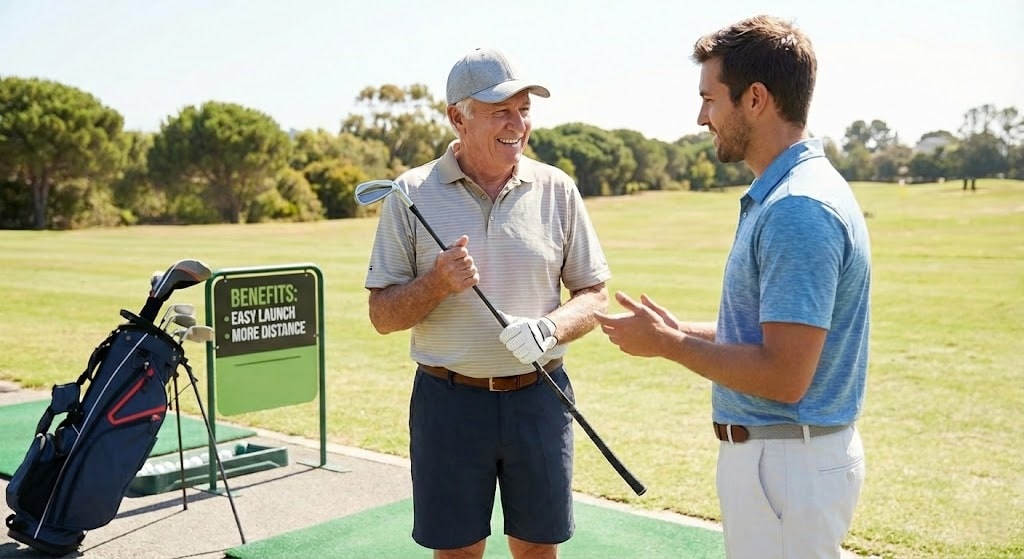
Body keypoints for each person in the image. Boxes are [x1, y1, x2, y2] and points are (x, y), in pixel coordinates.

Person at [594, 15, 871, 559]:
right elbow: (773, 335)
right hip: (787, 463)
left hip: (788, 465)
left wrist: (670, 346)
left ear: (756, 99)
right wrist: (682, 330)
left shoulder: (796, 208)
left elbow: (785, 373)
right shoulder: (789, 192)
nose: (701, 117)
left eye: (710, 99)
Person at [363, 47, 611, 559]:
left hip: (539, 399)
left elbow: (593, 294)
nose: (516, 123)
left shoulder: (557, 188)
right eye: (501, 110)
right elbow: (382, 315)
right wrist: (435, 284)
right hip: (448, 403)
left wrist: (550, 329)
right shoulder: (411, 194)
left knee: (538, 549)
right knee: (457, 552)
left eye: (523, 110)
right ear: (459, 117)